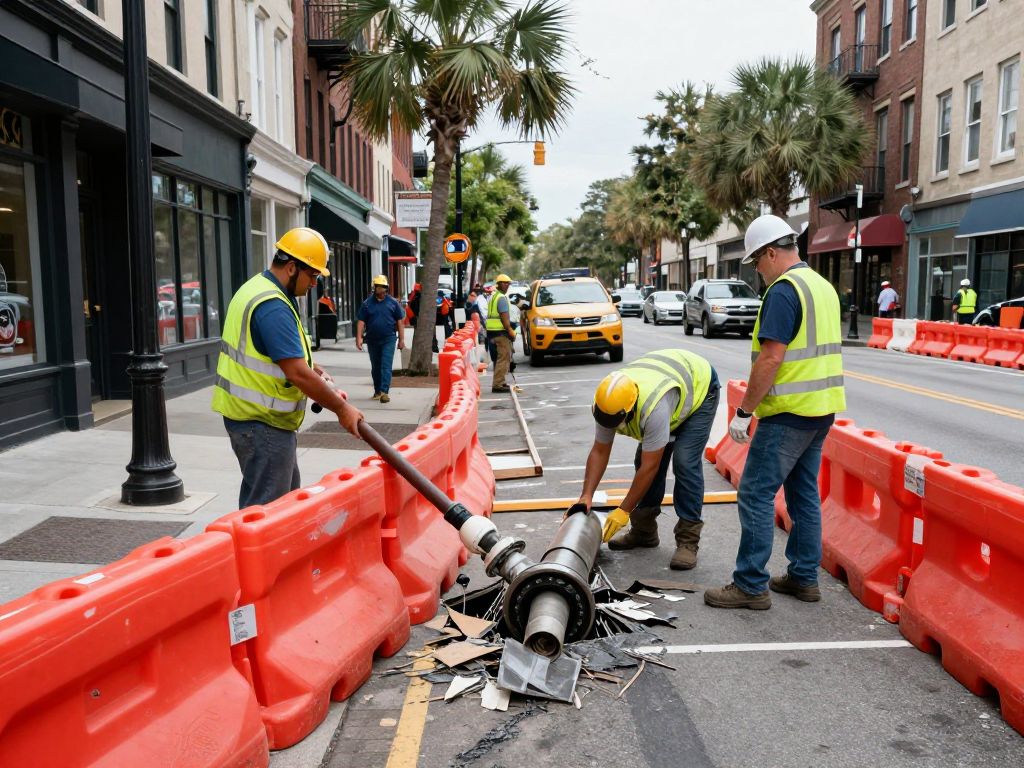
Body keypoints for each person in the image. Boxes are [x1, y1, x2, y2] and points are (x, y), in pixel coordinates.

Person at [705, 214, 845, 611]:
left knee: (755, 493)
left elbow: (771, 358)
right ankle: (803, 577)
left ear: (770, 253)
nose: (757, 272)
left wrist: (744, 412)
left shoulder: (784, 291)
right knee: (803, 495)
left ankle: (750, 584)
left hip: (788, 412)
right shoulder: (821, 286)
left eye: (756, 262)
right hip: (820, 411)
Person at [213, 227, 364, 508]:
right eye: (313, 275)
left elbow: (281, 356)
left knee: (278, 504)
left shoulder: (258, 288)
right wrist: (342, 410)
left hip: (253, 421)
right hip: (263, 423)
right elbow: (295, 372)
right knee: (269, 513)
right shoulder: (273, 305)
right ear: (293, 267)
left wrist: (314, 367)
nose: (314, 283)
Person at [581, 350, 720, 570]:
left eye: (616, 422)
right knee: (643, 459)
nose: (612, 427)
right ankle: (644, 532)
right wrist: (585, 496)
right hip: (670, 386)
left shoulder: (652, 408)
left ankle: (688, 541)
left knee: (684, 462)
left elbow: (651, 466)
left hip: (700, 390)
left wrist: (623, 511)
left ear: (631, 409)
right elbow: (599, 451)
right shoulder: (607, 403)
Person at [356, 275, 405, 404]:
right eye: (381, 289)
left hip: (388, 338)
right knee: (376, 367)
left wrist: (401, 339)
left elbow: (400, 322)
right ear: (375, 288)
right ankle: (377, 391)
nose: (383, 292)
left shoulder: (393, 303)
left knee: (386, 365)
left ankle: (384, 392)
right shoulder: (367, 304)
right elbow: (361, 321)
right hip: (372, 339)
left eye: (385, 289)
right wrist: (359, 338)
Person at [486, 274, 516, 393]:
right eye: (505, 283)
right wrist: (511, 332)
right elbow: (504, 319)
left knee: (500, 359)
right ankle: (498, 384)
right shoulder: (501, 298)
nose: (507, 285)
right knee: (504, 358)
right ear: (499, 284)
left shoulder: (494, 296)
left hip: (492, 333)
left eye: (508, 283)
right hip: (501, 334)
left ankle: (500, 382)